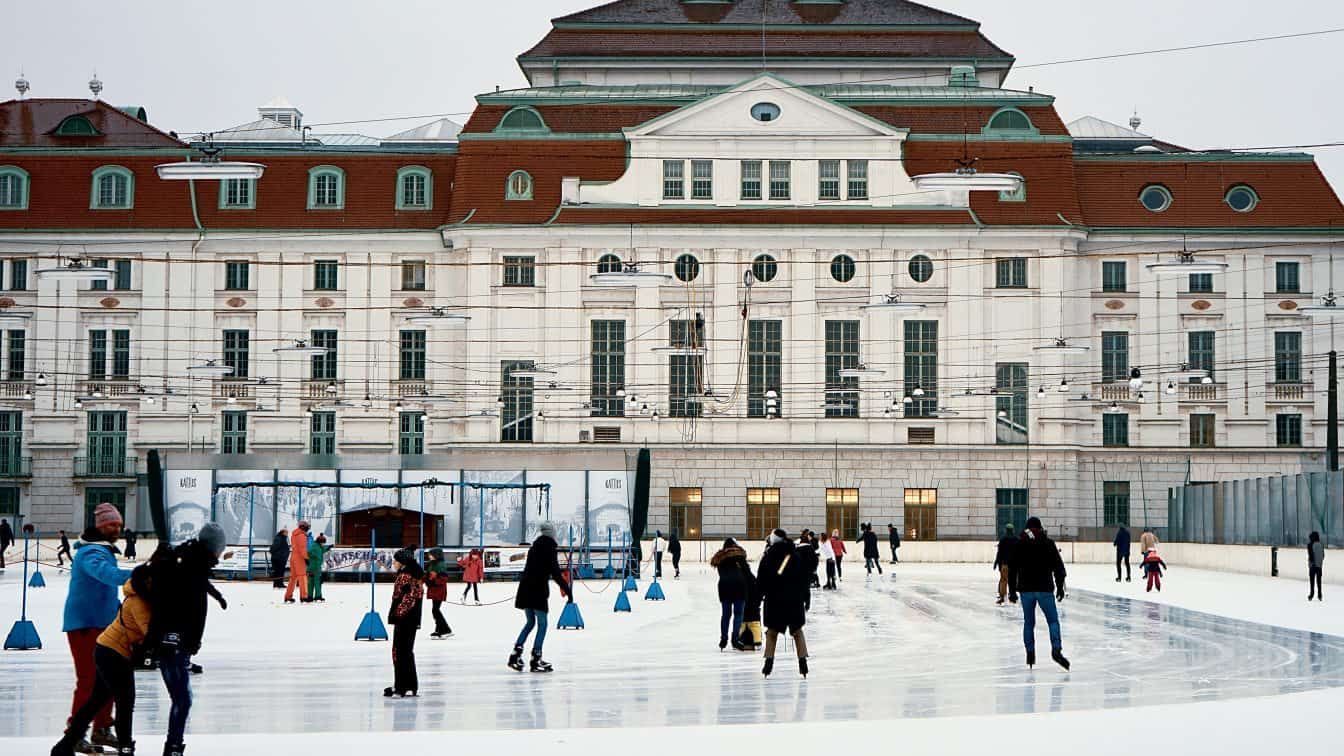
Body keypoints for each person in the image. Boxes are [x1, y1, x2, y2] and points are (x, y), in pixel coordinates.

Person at [52, 564, 154, 756]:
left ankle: (65, 745)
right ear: (147, 583)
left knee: (97, 700)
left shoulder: (141, 598)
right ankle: (126, 748)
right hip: (113, 653)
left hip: (107, 649)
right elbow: (150, 633)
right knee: (125, 701)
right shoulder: (138, 602)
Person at [147, 522, 229, 756]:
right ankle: (173, 749)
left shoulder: (193, 561)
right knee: (182, 699)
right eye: (220, 548)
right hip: (173, 643)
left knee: (183, 699)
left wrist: (217, 596)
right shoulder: (188, 565)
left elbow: (199, 583)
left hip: (179, 643)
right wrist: (171, 638)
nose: (220, 553)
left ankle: (174, 746)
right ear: (213, 547)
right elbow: (171, 602)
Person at [61, 503, 133, 752]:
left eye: (119, 525)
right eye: (112, 524)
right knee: (89, 680)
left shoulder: (103, 551)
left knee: (109, 679)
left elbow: (107, 591)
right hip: (85, 624)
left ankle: (101, 728)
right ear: (101, 526)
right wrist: (143, 573)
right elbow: (106, 575)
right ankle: (75, 732)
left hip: (103, 625)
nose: (117, 529)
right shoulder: (91, 553)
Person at [1008, 516, 1070, 670]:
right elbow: (1058, 567)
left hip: (1026, 590)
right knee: (1053, 621)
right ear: (1040, 527)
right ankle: (1056, 649)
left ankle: (1030, 654)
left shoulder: (1019, 543)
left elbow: (1012, 569)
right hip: (1045, 589)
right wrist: (1060, 586)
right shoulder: (1048, 543)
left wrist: (1012, 591)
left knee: (1029, 623)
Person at [509, 522, 570, 673]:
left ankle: (515, 654)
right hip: (537, 591)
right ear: (552, 533)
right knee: (542, 624)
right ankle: (536, 658)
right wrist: (567, 589)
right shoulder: (549, 548)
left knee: (530, 622)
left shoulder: (534, 547)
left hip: (525, 589)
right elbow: (555, 572)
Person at [756, 529, 810, 678]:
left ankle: (768, 661)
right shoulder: (796, 555)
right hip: (794, 600)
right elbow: (804, 578)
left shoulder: (768, 557)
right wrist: (806, 597)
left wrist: (758, 597)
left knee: (772, 633)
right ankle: (803, 661)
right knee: (797, 631)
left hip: (775, 600)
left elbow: (761, 580)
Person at [385, 548, 424, 697]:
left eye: (395, 561)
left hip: (405, 619)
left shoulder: (405, 576)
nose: (393, 563)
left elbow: (408, 599)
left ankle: (401, 686)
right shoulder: (415, 574)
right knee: (407, 652)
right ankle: (410, 684)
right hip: (412, 619)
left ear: (402, 563)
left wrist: (397, 614)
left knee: (399, 652)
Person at [710, 538, 753, 651]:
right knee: (738, 614)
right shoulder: (740, 556)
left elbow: (721, 572)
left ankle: (723, 639)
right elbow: (747, 573)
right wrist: (755, 584)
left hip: (724, 587)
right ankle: (735, 639)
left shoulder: (720, 558)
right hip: (739, 587)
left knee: (726, 615)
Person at [423, 548, 453, 638]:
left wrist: (432, 582)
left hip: (439, 590)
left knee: (435, 610)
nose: (429, 556)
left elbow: (443, 579)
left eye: (431, 554)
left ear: (437, 555)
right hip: (433, 590)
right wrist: (425, 579)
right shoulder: (432, 564)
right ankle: (439, 630)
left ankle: (446, 630)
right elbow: (427, 575)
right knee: (435, 610)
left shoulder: (440, 565)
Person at [284, 521, 310, 603]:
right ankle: (304, 597)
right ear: (303, 527)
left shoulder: (294, 535)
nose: (307, 528)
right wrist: (306, 558)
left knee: (293, 578)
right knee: (302, 577)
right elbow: (302, 549)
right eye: (307, 527)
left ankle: (288, 596)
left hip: (293, 557)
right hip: (300, 558)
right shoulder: (302, 535)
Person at [993, 523, 1016, 605]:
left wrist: (996, 562)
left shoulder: (1003, 540)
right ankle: (1013, 596)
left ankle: (1002, 596)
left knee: (1003, 580)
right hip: (1014, 565)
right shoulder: (1016, 539)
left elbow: (999, 553)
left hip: (1005, 564)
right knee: (1013, 580)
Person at [307, 534, 329, 602]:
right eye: (323, 543)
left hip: (312, 567)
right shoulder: (316, 548)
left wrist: (328, 548)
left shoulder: (316, 546)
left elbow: (321, 550)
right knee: (317, 582)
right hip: (315, 567)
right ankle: (318, 596)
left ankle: (309, 596)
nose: (323, 544)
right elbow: (314, 554)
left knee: (311, 583)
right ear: (320, 542)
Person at [1308, 531, 1325, 601]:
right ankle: (1320, 595)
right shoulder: (1321, 544)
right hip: (1319, 566)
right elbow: (1323, 555)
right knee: (1319, 581)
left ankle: (1311, 595)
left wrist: (1311, 563)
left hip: (1312, 566)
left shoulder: (1310, 545)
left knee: (1312, 582)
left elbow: (1311, 556)